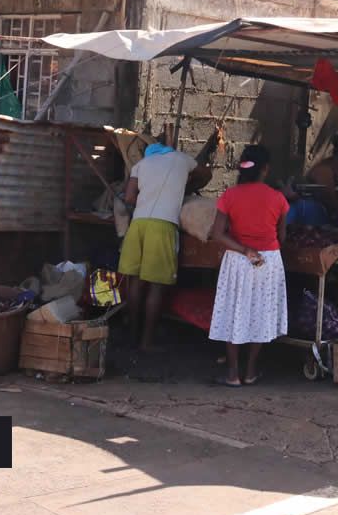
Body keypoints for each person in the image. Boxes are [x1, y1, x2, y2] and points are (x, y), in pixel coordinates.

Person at [208, 145, 290, 386]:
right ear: (265, 169)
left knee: (235, 312)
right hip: (269, 261)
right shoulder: (278, 198)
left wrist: (244, 249)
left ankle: (233, 374)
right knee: (260, 314)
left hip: (238, 259)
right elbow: (282, 237)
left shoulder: (230, 195)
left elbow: (217, 234)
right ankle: (251, 371)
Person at [119, 141, 212, 351]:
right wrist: (187, 186)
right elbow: (206, 174)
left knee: (136, 282)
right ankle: (147, 342)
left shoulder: (141, 165)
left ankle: (131, 336)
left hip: (138, 224)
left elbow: (129, 197)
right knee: (156, 286)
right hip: (162, 225)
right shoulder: (181, 159)